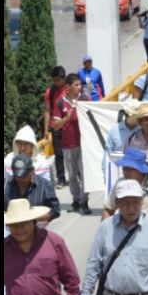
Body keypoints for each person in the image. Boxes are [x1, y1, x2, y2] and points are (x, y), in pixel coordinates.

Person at [4, 199, 81, 295]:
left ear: (33, 221)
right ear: (8, 226)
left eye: (24, 223)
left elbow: (70, 278)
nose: (19, 228)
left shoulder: (54, 241)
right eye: (14, 225)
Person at [52, 73, 89, 214]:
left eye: (80, 84)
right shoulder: (61, 102)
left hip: (84, 144)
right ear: (68, 87)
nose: (79, 87)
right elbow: (55, 125)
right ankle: (75, 199)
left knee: (85, 174)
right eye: (76, 85)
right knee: (72, 174)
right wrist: (65, 118)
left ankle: (84, 201)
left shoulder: (84, 99)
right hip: (68, 144)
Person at [4, 154, 61, 223]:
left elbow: (55, 210)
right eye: (17, 176)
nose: (20, 179)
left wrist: (32, 219)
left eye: (24, 176)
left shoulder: (45, 185)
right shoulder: (6, 184)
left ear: (32, 170)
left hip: (37, 227)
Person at [45, 66, 68, 187]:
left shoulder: (70, 89)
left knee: (73, 153)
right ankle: (61, 179)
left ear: (64, 78)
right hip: (56, 127)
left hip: (70, 127)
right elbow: (48, 111)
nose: (56, 83)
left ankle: (79, 176)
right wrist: (46, 129)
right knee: (58, 154)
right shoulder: (50, 91)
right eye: (54, 80)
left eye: (58, 80)